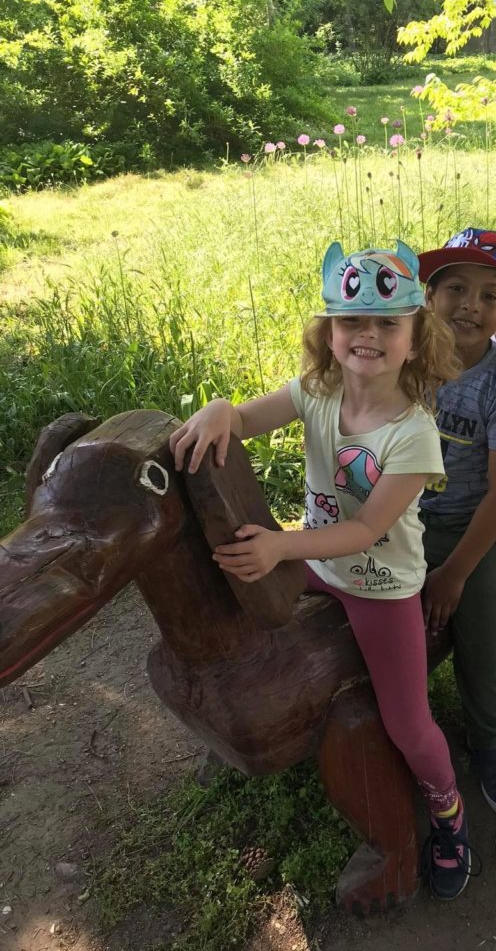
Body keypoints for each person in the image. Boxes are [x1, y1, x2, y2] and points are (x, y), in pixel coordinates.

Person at [169, 240, 475, 901]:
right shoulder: (317, 391)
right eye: (351, 321)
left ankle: (448, 811)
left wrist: (282, 547)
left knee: (406, 723)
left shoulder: (413, 434)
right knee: (226, 592)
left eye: (387, 324)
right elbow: (244, 420)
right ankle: (232, 727)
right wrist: (221, 410)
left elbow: (366, 531)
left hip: (380, 585)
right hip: (315, 559)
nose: (368, 336)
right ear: (329, 333)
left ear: (415, 340)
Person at [416, 228, 496, 817]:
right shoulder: (405, 358)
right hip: (396, 517)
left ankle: (488, 738)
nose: (470, 304)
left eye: (489, 295)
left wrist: (455, 573)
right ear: (429, 295)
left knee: (483, 640)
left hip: (470, 528)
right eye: (456, 288)